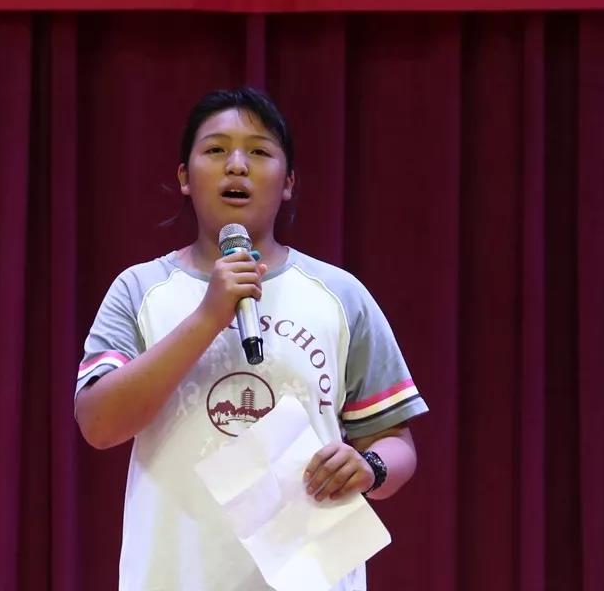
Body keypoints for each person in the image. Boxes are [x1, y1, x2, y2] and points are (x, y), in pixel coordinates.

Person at [74, 88, 428, 591]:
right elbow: (99, 423)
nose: (237, 165)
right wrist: (208, 316)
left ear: (288, 183)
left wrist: (368, 466)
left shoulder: (339, 295)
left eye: (259, 152)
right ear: (185, 177)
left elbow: (396, 443)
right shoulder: (140, 289)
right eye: (216, 149)